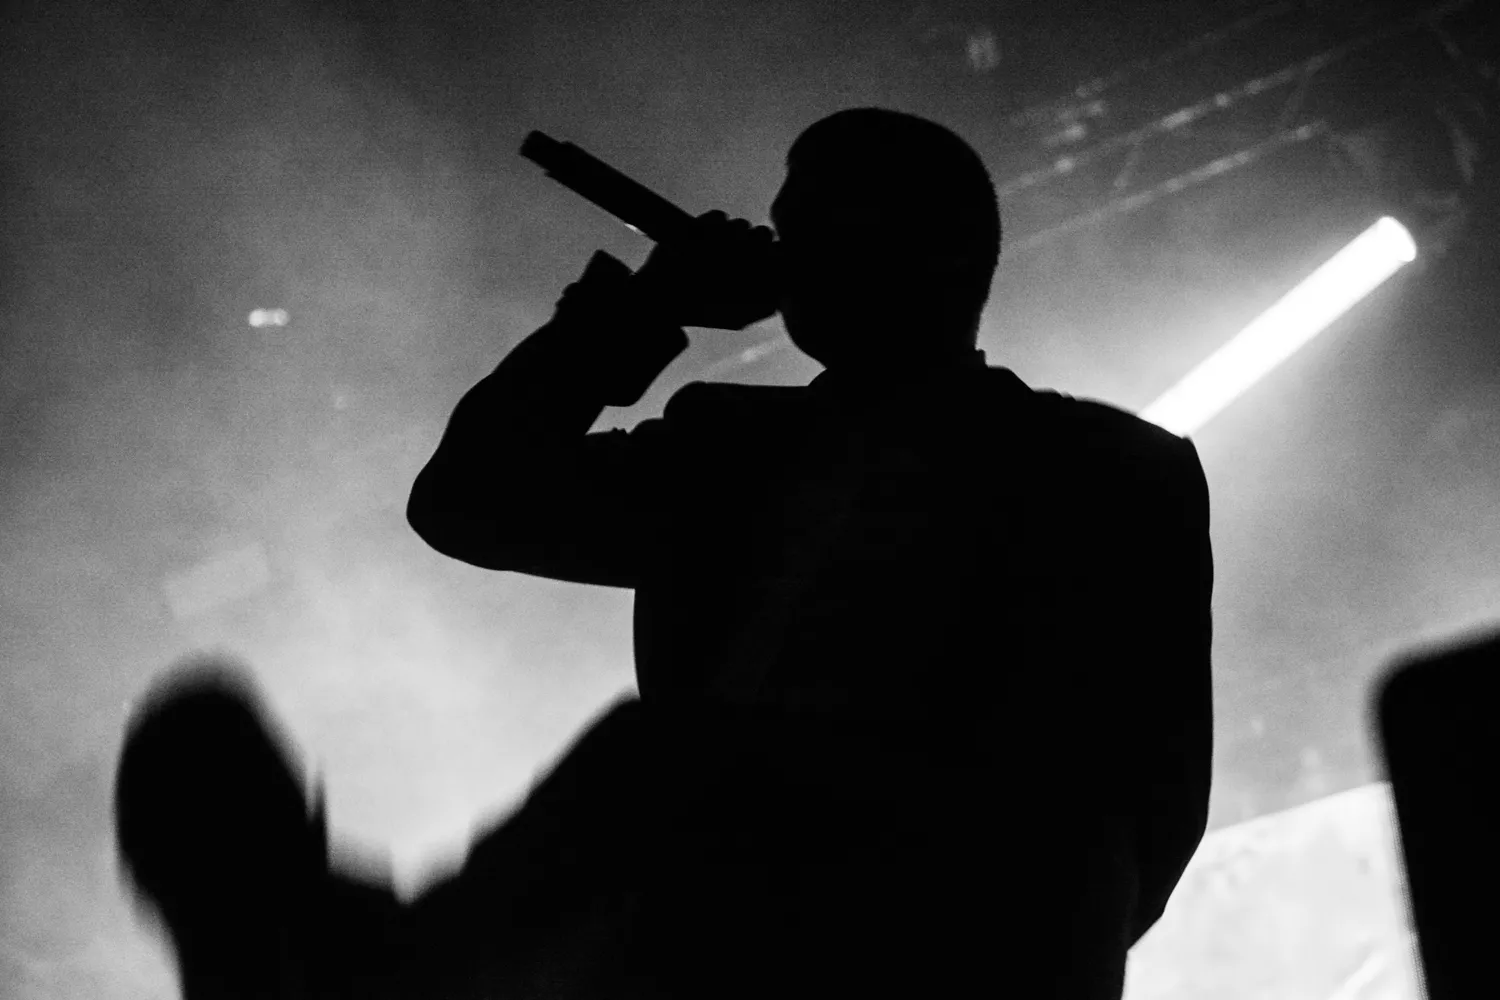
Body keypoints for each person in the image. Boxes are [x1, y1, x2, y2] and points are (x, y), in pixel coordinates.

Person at [115, 107, 1214, 999]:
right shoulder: (731, 451)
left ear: (938, 249)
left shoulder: (1106, 468)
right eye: (784, 225)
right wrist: (647, 309)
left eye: (819, 222)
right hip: (726, 929)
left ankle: (361, 962)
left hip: (963, 924)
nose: (787, 247)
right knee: (661, 775)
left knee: (657, 761)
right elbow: (470, 501)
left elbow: (1150, 796)